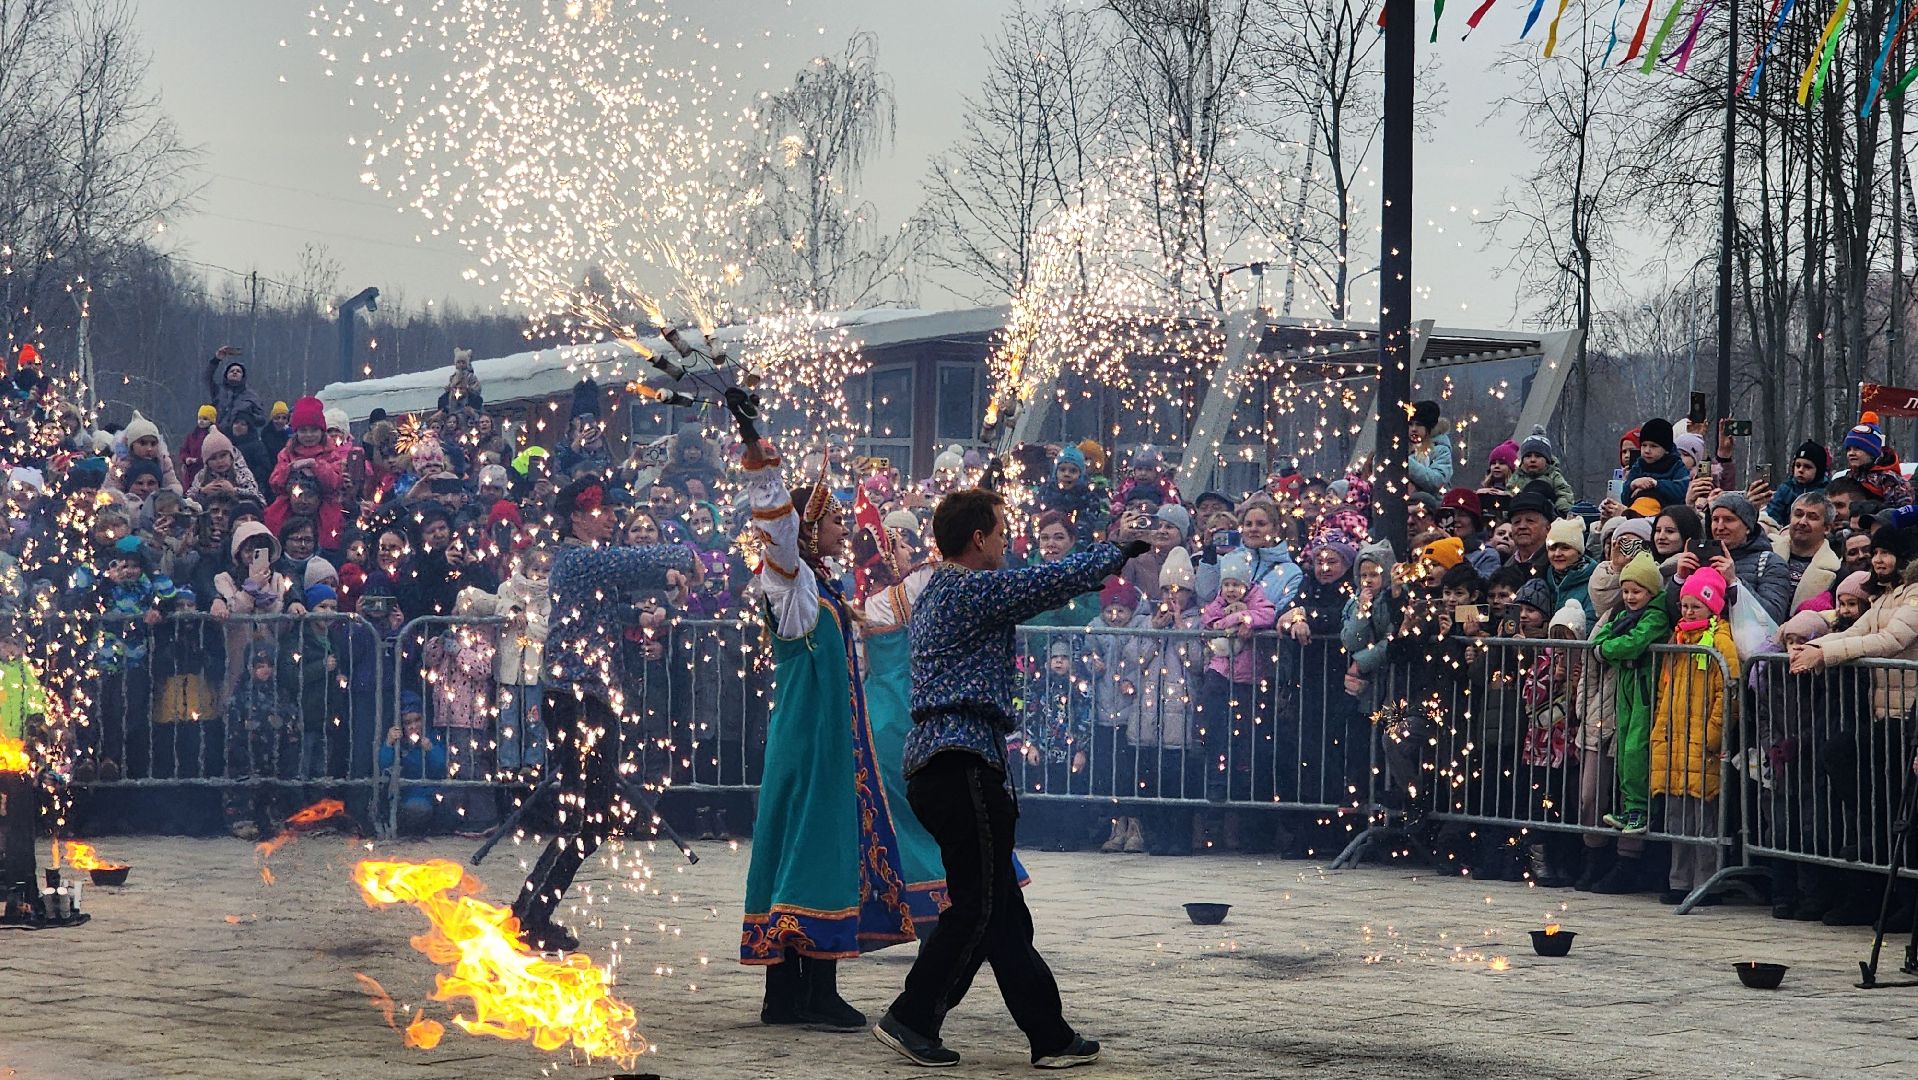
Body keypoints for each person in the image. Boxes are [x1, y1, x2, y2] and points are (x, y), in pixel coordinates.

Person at [874, 487, 1142, 1070]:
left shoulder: (948, 589)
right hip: (959, 761)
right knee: (977, 906)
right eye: (999, 530)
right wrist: (1111, 552)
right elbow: (1044, 584)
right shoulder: (966, 588)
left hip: (954, 761)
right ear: (977, 538)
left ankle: (1049, 1035)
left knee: (1002, 913)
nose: (1006, 540)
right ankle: (913, 1015)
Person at [725, 398, 920, 1033]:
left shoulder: (823, 587)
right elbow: (777, 525)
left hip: (821, 739)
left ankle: (788, 995)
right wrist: (759, 453)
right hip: (813, 743)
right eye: (833, 519)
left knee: (800, 849)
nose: (843, 528)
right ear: (808, 530)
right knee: (819, 851)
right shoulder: (792, 586)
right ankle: (813, 992)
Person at [507, 475, 696, 955]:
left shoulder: (586, 565)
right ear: (577, 515)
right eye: (604, 510)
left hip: (588, 698)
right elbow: (626, 561)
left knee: (591, 814)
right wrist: (680, 557)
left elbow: (609, 609)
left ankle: (528, 913)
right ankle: (529, 916)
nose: (614, 517)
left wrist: (644, 616)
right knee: (586, 814)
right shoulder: (575, 559)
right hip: (574, 699)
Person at [1650, 567, 1739, 904]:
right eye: (1684, 605)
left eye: (1695, 607)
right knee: (1677, 816)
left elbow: (1727, 694)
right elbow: (1663, 690)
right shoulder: (1678, 640)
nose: (1687, 612)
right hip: (1674, 742)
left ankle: (1706, 880)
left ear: (1712, 608)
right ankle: (1679, 880)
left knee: (1704, 817)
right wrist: (1661, 730)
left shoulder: (1719, 642)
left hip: (1702, 743)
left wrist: (1713, 735)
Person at [1772, 491, 1839, 612]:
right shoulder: (1767, 553)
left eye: (1812, 517)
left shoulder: (1837, 571)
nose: (1802, 522)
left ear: (1827, 528)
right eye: (1798, 514)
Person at [1512, 426, 1574, 514]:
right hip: (1521, 513)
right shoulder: (1517, 477)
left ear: (1547, 460)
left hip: (1548, 514)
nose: (1532, 460)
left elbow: (1564, 493)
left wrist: (1560, 508)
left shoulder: (1553, 476)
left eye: (1538, 456)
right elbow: (1510, 493)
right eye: (1528, 456)